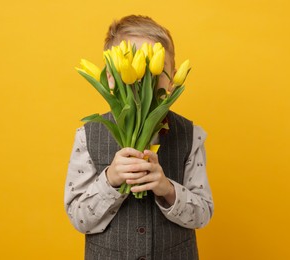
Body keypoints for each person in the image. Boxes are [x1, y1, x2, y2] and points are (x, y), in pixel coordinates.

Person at [64, 15, 214, 260]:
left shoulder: (191, 134)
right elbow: (79, 217)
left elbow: (203, 214)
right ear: (110, 76)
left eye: (155, 65)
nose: (145, 75)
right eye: (132, 62)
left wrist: (167, 189)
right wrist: (111, 179)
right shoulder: (88, 136)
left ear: (173, 77)